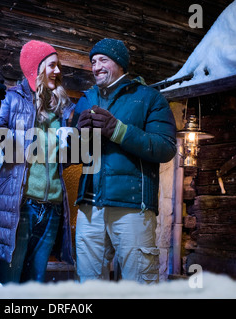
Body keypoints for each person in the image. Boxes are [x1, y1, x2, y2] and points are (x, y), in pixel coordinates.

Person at [71, 38, 177, 284]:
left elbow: (165, 148)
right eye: (93, 61)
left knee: (139, 283)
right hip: (89, 206)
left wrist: (118, 131)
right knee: (89, 283)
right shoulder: (86, 100)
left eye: (103, 60)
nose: (96, 66)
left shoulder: (149, 98)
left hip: (132, 207)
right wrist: (78, 139)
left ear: (119, 63)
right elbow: (75, 154)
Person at [0, 40, 75, 283]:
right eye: (52, 65)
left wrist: (74, 142)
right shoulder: (12, 99)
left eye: (58, 65)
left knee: (34, 284)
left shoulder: (62, 109)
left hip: (52, 209)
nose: (58, 71)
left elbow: (64, 161)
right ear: (35, 68)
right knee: (8, 282)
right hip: (19, 206)